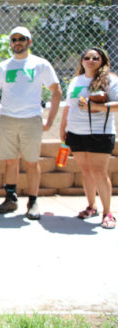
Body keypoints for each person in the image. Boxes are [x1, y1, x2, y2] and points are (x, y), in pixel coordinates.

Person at [0, 27, 62, 220]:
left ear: (30, 41)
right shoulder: (2, 67)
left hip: (31, 120)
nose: (17, 42)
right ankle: (10, 199)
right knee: (10, 161)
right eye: (14, 39)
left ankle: (33, 201)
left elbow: (56, 91)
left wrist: (51, 120)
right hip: (8, 120)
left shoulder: (40, 65)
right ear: (11, 43)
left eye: (22, 39)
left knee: (31, 162)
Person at [59, 48, 117, 229]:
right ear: (82, 61)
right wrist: (63, 128)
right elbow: (68, 106)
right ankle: (91, 206)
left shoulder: (110, 80)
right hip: (76, 132)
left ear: (103, 61)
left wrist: (98, 108)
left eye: (95, 58)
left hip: (100, 133)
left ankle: (107, 212)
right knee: (86, 171)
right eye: (87, 57)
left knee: (99, 172)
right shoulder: (76, 80)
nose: (90, 60)